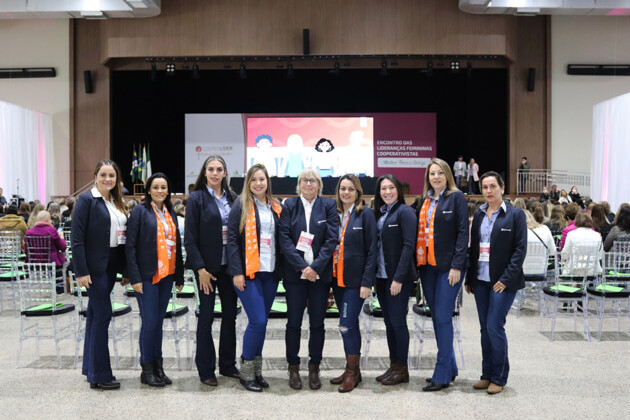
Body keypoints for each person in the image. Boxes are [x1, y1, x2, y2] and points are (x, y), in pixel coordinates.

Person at [465, 171, 527, 395]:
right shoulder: (480, 215)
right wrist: (470, 277)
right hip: (480, 280)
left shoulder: (515, 215)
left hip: (503, 282)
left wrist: (505, 279)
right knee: (484, 329)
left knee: (494, 326)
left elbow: (520, 250)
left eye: (493, 186)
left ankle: (499, 377)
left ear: (502, 187)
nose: (488, 191)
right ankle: (486, 374)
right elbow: (473, 250)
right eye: (484, 187)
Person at [278, 167, 337, 390]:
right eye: (304, 180)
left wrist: (315, 268)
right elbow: (284, 238)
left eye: (312, 180)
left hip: (319, 277)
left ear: (319, 184)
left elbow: (331, 240)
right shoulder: (289, 205)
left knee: (317, 324)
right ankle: (293, 368)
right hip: (295, 275)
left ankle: (314, 368)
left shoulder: (328, 205)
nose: (308, 184)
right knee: (293, 324)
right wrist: (303, 268)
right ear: (299, 184)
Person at [72, 160, 128, 390]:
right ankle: (101, 374)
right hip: (94, 270)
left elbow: (122, 239)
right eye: (103, 174)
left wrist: (125, 271)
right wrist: (81, 271)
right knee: (103, 315)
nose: (108, 179)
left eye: (112, 175)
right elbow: (76, 239)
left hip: (111, 267)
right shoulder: (86, 200)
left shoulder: (116, 201)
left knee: (95, 317)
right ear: (95, 176)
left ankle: (91, 370)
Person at [227, 164, 283, 392]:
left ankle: (256, 371)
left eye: (262, 179)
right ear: (248, 183)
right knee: (257, 321)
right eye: (254, 180)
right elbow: (231, 240)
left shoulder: (275, 207)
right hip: (248, 274)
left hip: (270, 273)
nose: (258, 183)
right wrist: (237, 272)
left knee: (263, 323)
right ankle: (246, 371)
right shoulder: (240, 206)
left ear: (267, 181)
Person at [184, 155, 240, 386]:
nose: (215, 173)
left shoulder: (234, 198)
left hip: (230, 268)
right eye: (211, 169)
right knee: (205, 318)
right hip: (207, 270)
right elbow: (190, 239)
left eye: (219, 169)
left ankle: (227, 365)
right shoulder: (196, 198)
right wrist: (200, 269)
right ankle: (206, 370)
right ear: (204, 173)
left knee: (230, 317)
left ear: (225, 172)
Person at [126, 173, 184, 387]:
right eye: (156, 187)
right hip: (147, 276)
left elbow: (176, 245)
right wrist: (134, 276)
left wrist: (178, 275)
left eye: (163, 187)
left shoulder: (170, 213)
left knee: (158, 323)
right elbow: (130, 246)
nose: (160, 190)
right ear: (148, 190)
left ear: (168, 190)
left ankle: (158, 367)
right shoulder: (140, 212)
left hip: (167, 275)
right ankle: (146, 368)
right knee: (149, 322)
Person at [416, 158, 468, 392]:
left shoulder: (456, 197)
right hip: (427, 267)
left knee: (443, 318)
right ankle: (451, 367)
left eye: (439, 173)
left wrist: (457, 265)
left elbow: (462, 232)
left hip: (449, 268)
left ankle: (442, 372)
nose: (435, 177)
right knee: (437, 317)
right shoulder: (424, 201)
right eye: (431, 173)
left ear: (448, 175)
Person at [329, 174, 377, 393]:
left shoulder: (365, 214)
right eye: (342, 189)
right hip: (337, 280)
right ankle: (353, 370)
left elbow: (372, 250)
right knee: (350, 326)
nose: (346, 192)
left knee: (345, 325)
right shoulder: (334, 214)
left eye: (350, 189)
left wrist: (367, 282)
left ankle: (352, 373)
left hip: (355, 282)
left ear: (358, 192)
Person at [373, 174, 417, 386]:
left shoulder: (405, 212)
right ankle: (393, 366)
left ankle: (402, 368)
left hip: (397, 279)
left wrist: (398, 279)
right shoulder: (380, 214)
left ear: (398, 190)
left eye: (391, 188)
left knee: (398, 323)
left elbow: (409, 246)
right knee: (389, 323)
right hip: (381, 277)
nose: (387, 192)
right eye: (383, 189)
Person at [523, 210, 556, 275]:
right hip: (541, 272)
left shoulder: (517, 232)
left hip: (521, 274)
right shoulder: (545, 229)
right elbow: (553, 251)